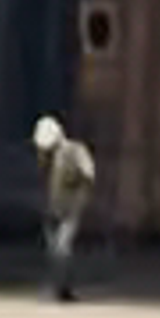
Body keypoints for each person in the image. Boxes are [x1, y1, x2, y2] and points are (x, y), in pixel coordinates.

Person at [34, 111, 100, 302]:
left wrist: (80, 195)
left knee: (62, 249)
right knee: (53, 251)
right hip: (51, 208)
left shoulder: (74, 150)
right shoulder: (45, 155)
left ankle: (64, 288)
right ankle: (59, 286)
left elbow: (88, 174)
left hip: (70, 209)